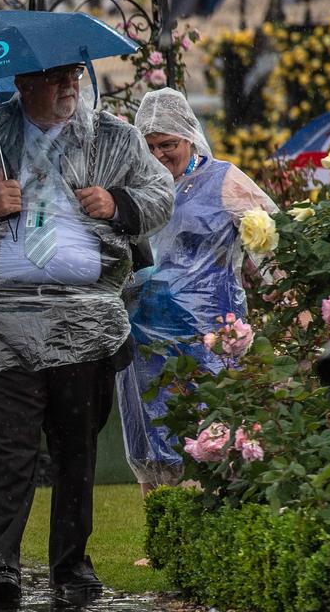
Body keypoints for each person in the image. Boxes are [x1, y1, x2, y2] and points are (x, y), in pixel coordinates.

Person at [0, 64, 174, 606]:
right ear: (23, 83)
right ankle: (1, 565)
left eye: (74, 77)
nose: (69, 86)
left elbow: (160, 193)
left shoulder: (114, 137)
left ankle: (71, 566)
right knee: (10, 452)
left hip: (86, 326)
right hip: (4, 323)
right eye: (56, 78)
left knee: (75, 451)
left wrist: (118, 204)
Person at [119, 88, 276, 494]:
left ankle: (212, 524)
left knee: (210, 429)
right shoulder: (134, 187)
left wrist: (287, 293)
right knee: (151, 432)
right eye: (149, 146)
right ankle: (161, 537)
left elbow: (271, 240)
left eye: (168, 144)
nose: (159, 155)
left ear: (189, 136)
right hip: (145, 333)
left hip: (209, 334)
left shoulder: (223, 179)